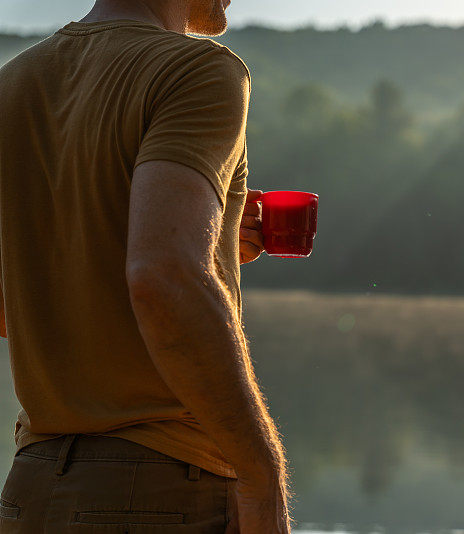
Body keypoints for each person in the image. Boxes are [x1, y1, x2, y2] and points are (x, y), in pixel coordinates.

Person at [0, 0, 290, 532]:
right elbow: (163, 277)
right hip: (162, 490)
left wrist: (212, 244)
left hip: (30, 490)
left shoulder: (13, 83)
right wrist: (262, 475)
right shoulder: (198, 70)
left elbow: (9, 309)